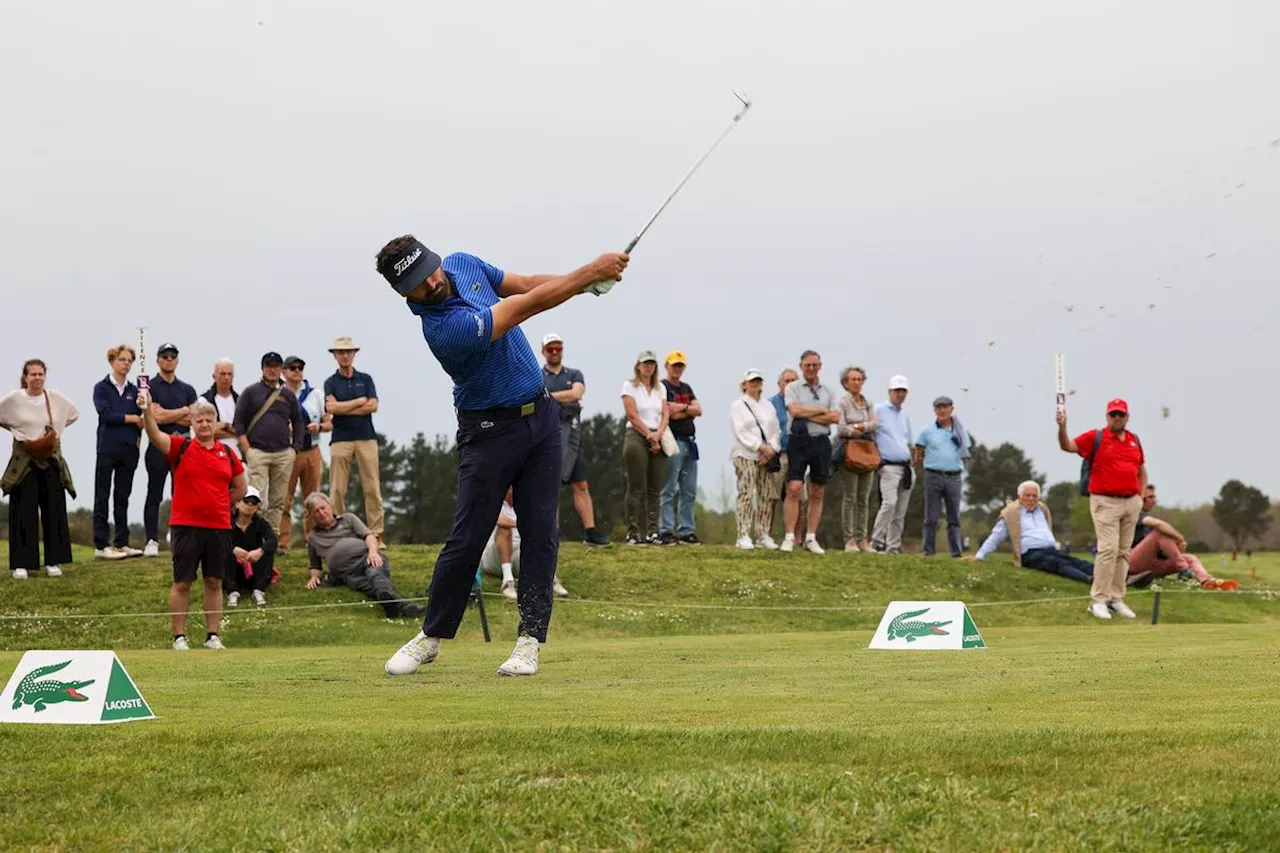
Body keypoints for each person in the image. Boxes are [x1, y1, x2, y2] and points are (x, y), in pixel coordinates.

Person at [374, 233, 627, 678]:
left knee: (541, 530)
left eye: (429, 267)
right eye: (417, 280)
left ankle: (529, 641)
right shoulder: (443, 330)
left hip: (543, 419)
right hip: (488, 431)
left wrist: (587, 285)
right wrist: (589, 272)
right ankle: (431, 636)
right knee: (467, 538)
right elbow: (522, 308)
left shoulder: (462, 264)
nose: (432, 280)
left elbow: (526, 283)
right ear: (403, 293)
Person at [140, 394, 247, 651]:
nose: (205, 424)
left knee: (214, 582)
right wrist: (146, 412)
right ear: (192, 424)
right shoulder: (182, 447)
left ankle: (212, 635)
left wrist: (221, 502)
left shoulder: (228, 453)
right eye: (199, 420)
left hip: (219, 526)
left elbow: (240, 488)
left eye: (209, 420)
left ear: (216, 423)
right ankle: (179, 637)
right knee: (182, 582)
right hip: (186, 525)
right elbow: (155, 435)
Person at [1058, 398, 1147, 620]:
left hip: (1131, 501)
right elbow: (1067, 445)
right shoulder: (1096, 437)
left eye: (1121, 414)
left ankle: (1116, 598)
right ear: (1107, 417)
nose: (1117, 418)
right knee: (1108, 549)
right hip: (1105, 501)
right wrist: (1062, 426)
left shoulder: (1134, 440)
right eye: (1113, 414)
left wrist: (1141, 496)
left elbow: (1141, 469)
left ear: (1127, 417)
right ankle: (1098, 600)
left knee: (1124, 551)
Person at [0, 360, 78, 580]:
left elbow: (73, 414)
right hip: (24, 459)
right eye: (33, 374)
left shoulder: (53, 398)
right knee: (23, 511)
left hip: (49, 458)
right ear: (25, 377)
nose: (37, 378)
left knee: (53, 510)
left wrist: (55, 432)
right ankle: (21, 564)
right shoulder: (14, 399)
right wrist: (15, 429)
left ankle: (53, 561)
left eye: (40, 374)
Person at [304, 493, 424, 619]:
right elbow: (315, 565)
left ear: (330, 506)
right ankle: (405, 608)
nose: (321, 513)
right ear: (312, 515)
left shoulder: (348, 519)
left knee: (375, 576)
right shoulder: (313, 538)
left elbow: (369, 536)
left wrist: (373, 552)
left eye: (323, 508)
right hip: (347, 572)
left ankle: (394, 605)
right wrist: (313, 577)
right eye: (316, 511)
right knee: (369, 587)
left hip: (366, 558)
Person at [540, 333, 610, 546]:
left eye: (558, 348)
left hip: (573, 434)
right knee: (551, 485)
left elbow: (577, 393)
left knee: (581, 484)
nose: (555, 352)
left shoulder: (574, 373)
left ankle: (590, 531)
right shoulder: (538, 375)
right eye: (550, 349)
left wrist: (551, 396)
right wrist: (563, 396)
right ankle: (554, 531)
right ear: (543, 351)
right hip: (548, 435)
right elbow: (538, 396)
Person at [963, 481, 1094, 583]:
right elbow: (996, 537)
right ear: (1020, 496)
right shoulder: (1011, 513)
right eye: (1027, 495)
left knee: (1077, 562)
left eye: (1034, 496)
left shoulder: (1042, 509)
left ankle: (1106, 578)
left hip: (1050, 549)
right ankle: (1088, 580)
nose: (1031, 499)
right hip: (1030, 554)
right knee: (1057, 564)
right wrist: (979, 556)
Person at [235, 352, 305, 536]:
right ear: (262, 368)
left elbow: (298, 422)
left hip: (283, 453)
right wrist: (247, 450)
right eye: (269, 366)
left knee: (278, 499)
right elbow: (239, 422)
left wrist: (295, 448)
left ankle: (272, 535)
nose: (272, 370)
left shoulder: (288, 395)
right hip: (258, 451)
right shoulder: (250, 392)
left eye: (276, 366)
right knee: (256, 497)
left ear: (281, 369)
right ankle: (253, 534)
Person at [140, 342, 199, 558]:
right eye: (164, 356)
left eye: (172, 356)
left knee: (181, 494)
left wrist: (169, 413)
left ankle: (177, 535)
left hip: (183, 448)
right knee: (154, 493)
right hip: (157, 447)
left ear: (177, 360)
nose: (169, 360)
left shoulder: (187, 389)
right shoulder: (150, 387)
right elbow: (155, 417)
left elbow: (192, 419)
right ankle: (151, 539)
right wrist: (182, 411)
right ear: (158, 360)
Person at [325, 336, 384, 542]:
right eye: (340, 352)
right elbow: (331, 409)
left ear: (354, 354)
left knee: (372, 486)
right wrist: (359, 402)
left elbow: (373, 406)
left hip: (366, 438)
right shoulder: (330, 382)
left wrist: (344, 407)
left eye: (348, 352)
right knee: (337, 488)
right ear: (335, 356)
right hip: (340, 439)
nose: (344, 356)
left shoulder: (365, 379)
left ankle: (376, 533)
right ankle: (337, 531)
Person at [781, 350, 840, 554]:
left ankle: (811, 537)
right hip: (799, 440)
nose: (811, 369)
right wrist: (821, 411)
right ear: (801, 366)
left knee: (818, 490)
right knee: (795, 487)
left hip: (821, 441)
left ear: (820, 366)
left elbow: (834, 416)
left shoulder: (829, 391)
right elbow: (795, 411)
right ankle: (789, 536)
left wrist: (810, 413)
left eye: (815, 365)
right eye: (807, 365)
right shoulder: (793, 388)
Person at [92, 344, 144, 560]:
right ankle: (101, 544)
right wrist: (131, 418)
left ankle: (122, 542)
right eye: (122, 359)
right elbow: (106, 416)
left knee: (123, 496)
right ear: (112, 362)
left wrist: (142, 409)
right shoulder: (102, 388)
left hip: (129, 449)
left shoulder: (136, 390)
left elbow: (143, 419)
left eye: (129, 360)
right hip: (107, 447)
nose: (126, 363)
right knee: (102, 495)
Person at [1130, 485, 1237, 589]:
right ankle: (1185, 570)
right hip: (1130, 562)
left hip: (1152, 565)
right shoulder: (1133, 514)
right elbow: (1160, 525)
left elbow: (1159, 551)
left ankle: (1206, 581)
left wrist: (1175, 548)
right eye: (1150, 497)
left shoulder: (1149, 524)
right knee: (1161, 531)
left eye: (1155, 497)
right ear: (1141, 499)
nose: (1154, 500)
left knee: (1191, 558)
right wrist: (1180, 538)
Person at [280, 355, 331, 551]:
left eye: (300, 368)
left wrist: (319, 426)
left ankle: (313, 541)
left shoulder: (315, 394)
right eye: (292, 368)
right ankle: (283, 543)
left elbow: (329, 422)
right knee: (285, 498)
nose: (297, 371)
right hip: (289, 450)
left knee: (313, 498)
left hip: (312, 450)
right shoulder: (279, 394)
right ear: (284, 372)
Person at [480, 488, 569, 600]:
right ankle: (507, 582)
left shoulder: (528, 502)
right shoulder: (493, 499)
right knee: (504, 529)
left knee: (544, 532)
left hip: (520, 558)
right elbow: (498, 520)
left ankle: (550, 578)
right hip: (493, 559)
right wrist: (527, 523)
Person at [621, 350, 670, 546]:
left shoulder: (660, 388)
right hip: (637, 435)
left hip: (657, 434)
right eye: (645, 364)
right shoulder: (630, 386)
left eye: (652, 364)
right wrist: (649, 435)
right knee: (636, 486)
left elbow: (665, 413)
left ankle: (652, 531)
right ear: (638, 366)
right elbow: (632, 414)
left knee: (655, 487)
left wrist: (658, 434)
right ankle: (633, 531)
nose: (648, 367)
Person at [729, 369, 781, 550]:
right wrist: (760, 447)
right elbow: (741, 432)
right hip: (745, 454)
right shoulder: (738, 405)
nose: (755, 385)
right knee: (746, 493)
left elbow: (775, 430)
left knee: (766, 495)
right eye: (751, 381)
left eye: (758, 381)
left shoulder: (768, 406)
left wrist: (771, 449)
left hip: (766, 456)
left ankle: (763, 533)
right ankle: (743, 534)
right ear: (744, 384)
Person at [916, 396, 971, 558]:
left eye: (945, 407)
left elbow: (965, 450)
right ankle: (928, 551)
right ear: (935, 410)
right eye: (938, 408)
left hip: (954, 476)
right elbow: (919, 449)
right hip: (933, 475)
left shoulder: (960, 431)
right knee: (931, 517)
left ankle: (956, 552)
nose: (942, 410)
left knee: (954, 517)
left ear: (951, 409)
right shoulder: (927, 430)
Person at [658, 350, 702, 545]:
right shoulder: (662, 386)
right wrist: (686, 410)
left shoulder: (686, 387)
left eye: (680, 366)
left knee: (689, 489)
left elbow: (698, 409)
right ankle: (665, 528)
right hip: (673, 440)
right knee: (669, 488)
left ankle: (686, 530)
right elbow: (669, 412)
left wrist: (682, 408)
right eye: (674, 365)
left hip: (689, 441)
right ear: (667, 366)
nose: (677, 369)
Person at [833, 366, 878, 552]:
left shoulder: (868, 403)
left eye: (859, 379)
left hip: (867, 450)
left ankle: (862, 539)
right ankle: (849, 539)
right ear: (845, 382)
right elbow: (841, 428)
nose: (856, 383)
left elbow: (874, 424)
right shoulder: (842, 403)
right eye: (853, 379)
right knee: (850, 497)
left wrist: (858, 426)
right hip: (849, 451)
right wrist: (861, 427)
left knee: (864, 498)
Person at [871, 375, 915, 555]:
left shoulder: (904, 416)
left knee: (900, 511)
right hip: (887, 466)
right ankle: (877, 541)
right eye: (897, 391)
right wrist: (877, 462)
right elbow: (871, 437)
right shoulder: (878, 410)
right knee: (889, 504)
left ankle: (893, 546)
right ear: (890, 391)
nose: (900, 394)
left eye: (903, 391)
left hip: (905, 467)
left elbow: (908, 442)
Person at [767, 368, 806, 542]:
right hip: (777, 454)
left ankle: (796, 538)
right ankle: (765, 535)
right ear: (779, 384)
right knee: (771, 497)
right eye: (786, 381)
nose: (790, 384)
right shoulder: (770, 404)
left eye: (793, 381)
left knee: (798, 497)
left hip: (797, 454)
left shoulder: (802, 404)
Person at [224, 486, 278, 607]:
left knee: (267, 550)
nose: (250, 505)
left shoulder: (261, 523)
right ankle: (232, 592)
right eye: (246, 501)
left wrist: (260, 551)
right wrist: (233, 549)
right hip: (232, 571)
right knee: (224, 552)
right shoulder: (226, 522)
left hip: (254, 568)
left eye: (254, 502)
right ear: (237, 503)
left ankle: (258, 590)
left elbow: (273, 540)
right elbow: (216, 542)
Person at [202, 358, 241, 459]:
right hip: (213, 456)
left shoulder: (240, 401)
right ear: (214, 376)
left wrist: (224, 426)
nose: (226, 378)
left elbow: (248, 429)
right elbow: (206, 431)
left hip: (237, 456)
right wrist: (235, 431)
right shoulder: (204, 401)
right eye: (222, 374)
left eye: (229, 374)